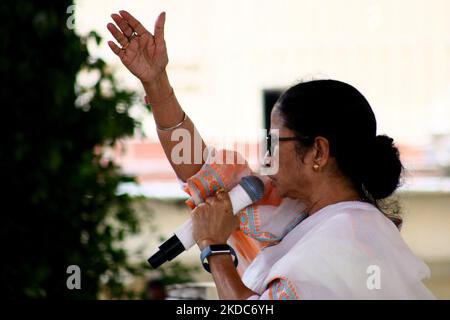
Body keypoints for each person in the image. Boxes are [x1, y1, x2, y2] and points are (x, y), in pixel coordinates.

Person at [107, 11, 435, 300]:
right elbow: (202, 173)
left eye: (275, 143)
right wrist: (156, 82)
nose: (267, 157)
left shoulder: (347, 240)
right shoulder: (307, 215)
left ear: (318, 152)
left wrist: (215, 247)